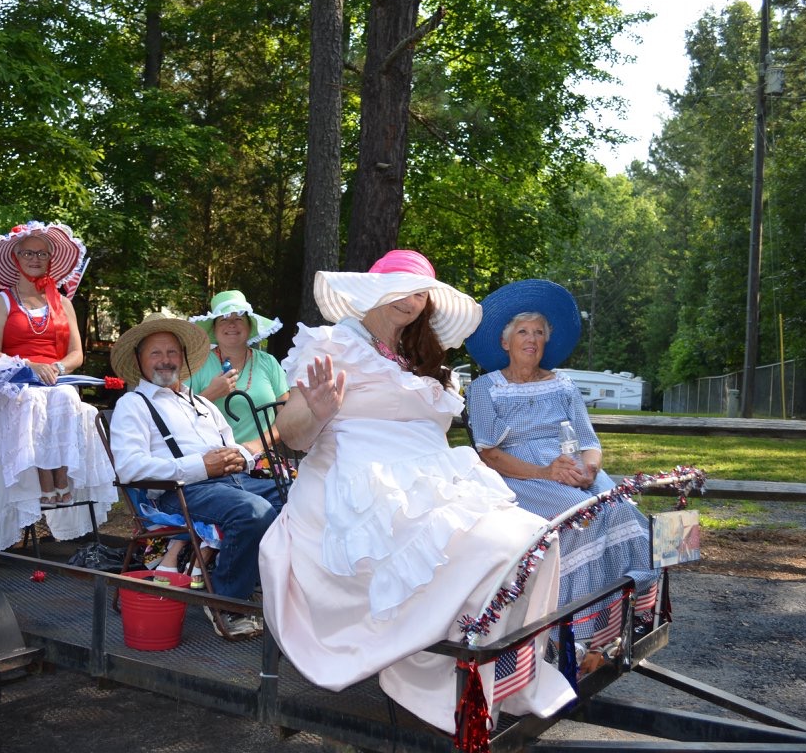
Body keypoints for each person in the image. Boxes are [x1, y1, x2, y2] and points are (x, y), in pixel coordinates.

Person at [258, 250, 575, 732]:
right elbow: (295, 437)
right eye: (400, 289)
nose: (410, 301)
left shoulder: (418, 358)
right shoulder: (332, 344)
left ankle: (500, 673)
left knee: (535, 538)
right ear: (372, 291)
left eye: (420, 293)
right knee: (491, 549)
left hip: (427, 481)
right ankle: (433, 680)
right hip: (355, 489)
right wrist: (318, 410)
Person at [463, 279, 658, 673]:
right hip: (522, 474)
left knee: (619, 507)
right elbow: (489, 453)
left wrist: (589, 470)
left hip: (571, 469)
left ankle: (617, 622)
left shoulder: (563, 385)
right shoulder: (485, 388)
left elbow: (589, 441)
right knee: (582, 518)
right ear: (505, 342)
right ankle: (575, 635)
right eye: (522, 331)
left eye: (538, 332)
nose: (531, 339)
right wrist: (545, 471)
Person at [109, 312, 283, 639]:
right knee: (252, 513)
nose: (165, 360)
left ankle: (280, 591)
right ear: (140, 360)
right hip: (178, 493)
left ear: (183, 358)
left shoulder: (201, 403)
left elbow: (230, 446)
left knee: (296, 496)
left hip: (230, 483)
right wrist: (203, 466)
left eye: (172, 352)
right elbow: (129, 469)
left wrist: (240, 458)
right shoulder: (133, 405)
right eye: (155, 353)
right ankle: (227, 601)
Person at [0, 221, 116, 550]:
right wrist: (28, 365)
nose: (35, 258)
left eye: (42, 253)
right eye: (28, 252)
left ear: (51, 258)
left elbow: (77, 354)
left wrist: (55, 367)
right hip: (13, 378)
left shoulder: (63, 303)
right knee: (31, 401)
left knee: (68, 396)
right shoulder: (2, 302)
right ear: (16, 257)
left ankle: (60, 479)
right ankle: (43, 483)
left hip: (56, 379)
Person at [187, 290, 288, 455]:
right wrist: (209, 395)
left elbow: (287, 418)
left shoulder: (268, 362)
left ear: (249, 327)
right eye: (223, 319)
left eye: (239, 318)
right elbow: (179, 419)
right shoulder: (197, 365)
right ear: (214, 329)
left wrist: (257, 445)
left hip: (263, 461)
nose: (231, 324)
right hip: (212, 463)